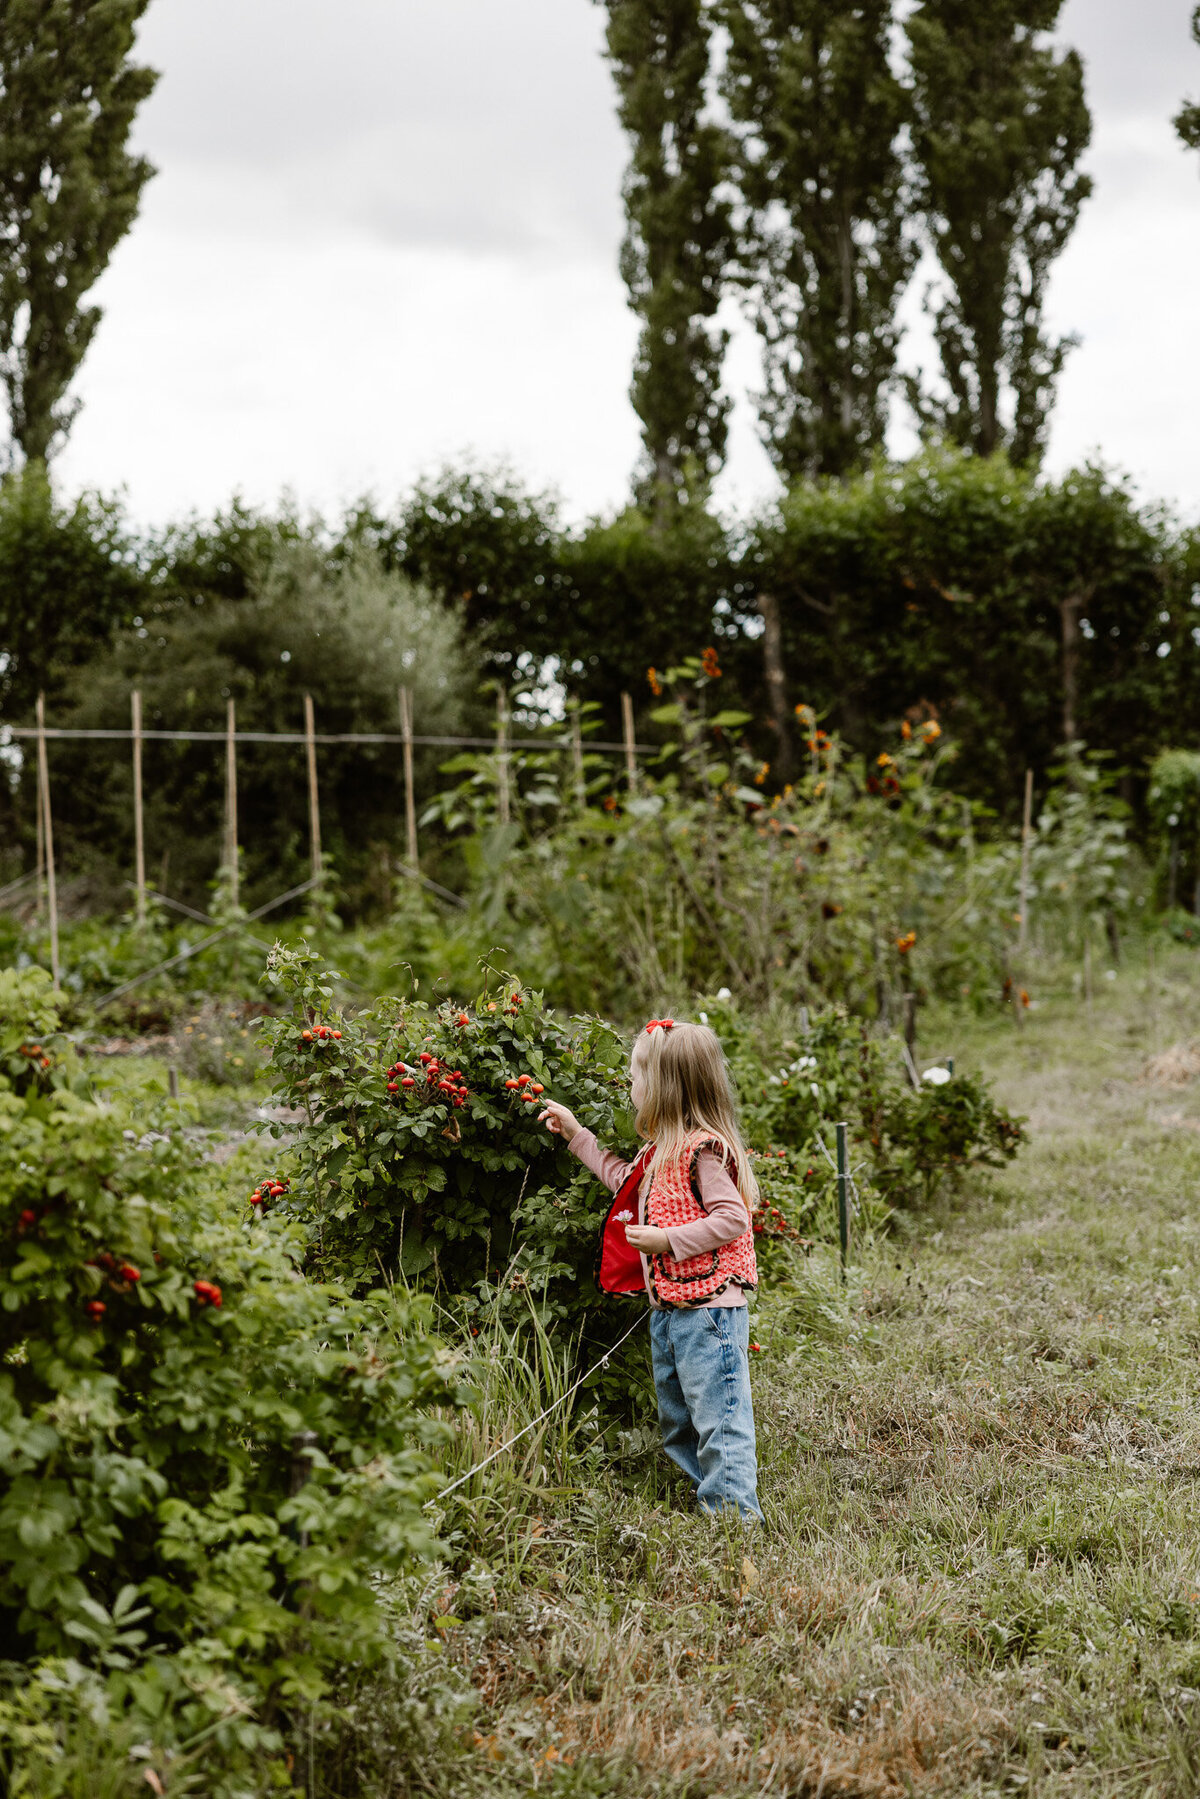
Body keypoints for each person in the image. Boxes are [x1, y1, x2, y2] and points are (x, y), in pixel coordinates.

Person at [539, 1018, 762, 1521]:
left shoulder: (704, 1150)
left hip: (710, 1309)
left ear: (664, 1087)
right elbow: (623, 1181)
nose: (630, 1084)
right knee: (678, 1417)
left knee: (719, 1417)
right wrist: (579, 1136)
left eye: (637, 1075)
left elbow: (732, 1219)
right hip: (670, 1309)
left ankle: (733, 1517)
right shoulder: (660, 1150)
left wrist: (669, 1240)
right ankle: (709, 1499)